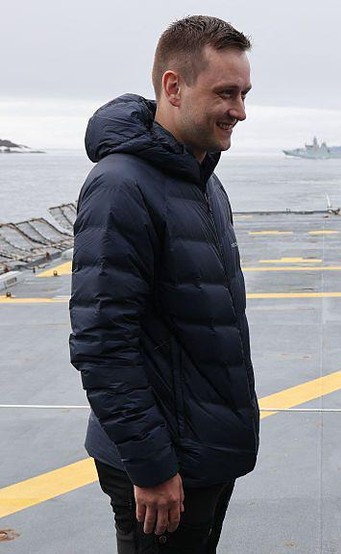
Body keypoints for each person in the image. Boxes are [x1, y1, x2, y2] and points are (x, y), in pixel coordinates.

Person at [69, 15, 257, 553]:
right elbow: (103, 341)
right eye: (226, 93)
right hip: (162, 464)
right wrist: (150, 465)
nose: (240, 111)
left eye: (244, 94)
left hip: (203, 452)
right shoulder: (121, 186)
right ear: (173, 87)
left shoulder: (203, 180)